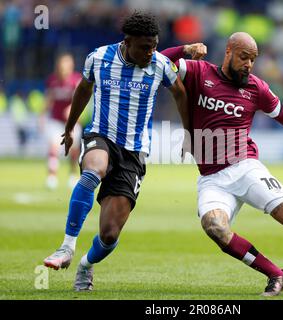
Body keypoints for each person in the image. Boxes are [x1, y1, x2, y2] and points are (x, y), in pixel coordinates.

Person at [161, 32, 283, 297]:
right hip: (211, 178)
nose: (248, 64)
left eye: (253, 60)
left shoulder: (256, 88)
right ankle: (276, 274)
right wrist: (186, 49)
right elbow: (159, 61)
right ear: (229, 52)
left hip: (245, 166)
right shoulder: (200, 72)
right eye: (244, 57)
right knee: (215, 228)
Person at [43, 12, 199, 291]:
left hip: (134, 152)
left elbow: (180, 93)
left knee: (109, 234)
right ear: (127, 42)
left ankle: (86, 265)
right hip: (101, 135)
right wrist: (69, 129)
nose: (151, 52)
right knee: (93, 170)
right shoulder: (99, 58)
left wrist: (188, 133)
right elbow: (83, 89)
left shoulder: (161, 65)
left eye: (154, 46)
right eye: (145, 47)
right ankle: (66, 247)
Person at [42, 53, 83, 189]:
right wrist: (41, 115)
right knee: (53, 147)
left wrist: (71, 108)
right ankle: (52, 177)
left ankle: (72, 174)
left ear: (71, 66)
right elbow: (49, 99)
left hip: (72, 123)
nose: (63, 68)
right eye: (61, 65)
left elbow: (81, 100)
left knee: (73, 151)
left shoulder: (76, 80)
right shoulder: (52, 80)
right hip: (55, 121)